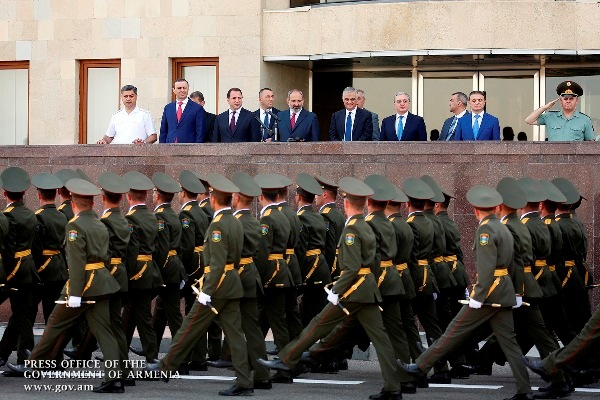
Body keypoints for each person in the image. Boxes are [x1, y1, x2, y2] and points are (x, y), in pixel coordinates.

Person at [258, 177, 402, 400]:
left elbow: (352, 268)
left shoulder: (353, 230)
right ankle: (393, 386)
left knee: (316, 327)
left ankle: (286, 361)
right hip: (367, 291)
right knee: (381, 340)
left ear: (346, 203)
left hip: (353, 291)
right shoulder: (365, 226)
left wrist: (336, 291)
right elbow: (373, 263)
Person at [398, 185, 533, 400]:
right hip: (504, 292)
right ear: (495, 208)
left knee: (453, 332)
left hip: (489, 294)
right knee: (510, 343)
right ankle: (524, 389)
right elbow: (516, 264)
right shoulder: (504, 228)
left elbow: (487, 269)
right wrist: (516, 293)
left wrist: (477, 297)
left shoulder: (486, 230)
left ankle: (420, 367)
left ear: (476, 210)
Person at [156, 173, 254, 396]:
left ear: (213, 198)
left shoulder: (219, 225)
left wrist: (206, 291)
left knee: (190, 326)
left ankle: (166, 366)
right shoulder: (235, 221)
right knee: (235, 334)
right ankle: (244, 381)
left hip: (216, 286)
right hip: (231, 283)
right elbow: (236, 258)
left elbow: (218, 264)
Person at [24, 178, 123, 393]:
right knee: (105, 332)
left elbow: (77, 262)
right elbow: (105, 257)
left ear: (73, 204)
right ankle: (114, 378)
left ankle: (34, 364)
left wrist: (76, 293)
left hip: (82, 285)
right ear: (93, 204)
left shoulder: (75, 225)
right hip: (102, 283)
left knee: (54, 324)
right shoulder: (100, 223)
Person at [121, 171, 163, 364]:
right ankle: (149, 357)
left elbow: (130, 250)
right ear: (146, 196)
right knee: (139, 316)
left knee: (136, 316)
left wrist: (126, 275)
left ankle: (147, 357)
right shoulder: (153, 217)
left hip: (135, 272)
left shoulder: (131, 219)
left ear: (128, 197)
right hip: (149, 271)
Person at [0, 167, 37, 375]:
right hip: (28, 269)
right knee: (23, 317)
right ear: (24, 193)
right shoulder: (31, 214)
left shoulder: (8, 216)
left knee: (21, 317)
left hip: (11, 271)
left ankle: (23, 359)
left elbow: (8, 248)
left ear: (5, 194)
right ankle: (25, 358)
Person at [151, 172, 187, 372]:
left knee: (174, 316)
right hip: (175, 267)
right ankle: (152, 351)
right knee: (163, 311)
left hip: (166, 270)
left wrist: (158, 274)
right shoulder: (173, 214)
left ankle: (181, 359)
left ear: (157, 195)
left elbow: (162, 249)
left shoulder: (160, 217)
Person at [176, 170, 211, 370]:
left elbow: (187, 245)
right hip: (203, 260)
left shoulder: (187, 213)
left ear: (184, 192)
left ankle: (192, 356)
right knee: (197, 310)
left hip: (194, 264)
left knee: (192, 310)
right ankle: (199, 357)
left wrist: (185, 272)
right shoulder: (200, 209)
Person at [30, 173, 69, 324]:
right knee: (53, 313)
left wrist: (36, 268)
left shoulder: (38, 216)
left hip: (44, 270)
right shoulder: (62, 216)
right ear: (55, 194)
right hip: (59, 269)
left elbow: (36, 247)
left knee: (31, 308)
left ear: (39, 195)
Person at [294, 173, 330, 325]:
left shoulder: (302, 217)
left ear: (298, 197)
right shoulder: (318, 216)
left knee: (309, 310)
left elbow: (300, 249)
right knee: (316, 308)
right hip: (321, 267)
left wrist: (297, 276)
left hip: (310, 268)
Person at [525, 80, 595, 141]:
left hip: (574, 156)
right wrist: (544, 107)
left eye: (571, 99)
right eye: (565, 99)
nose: (568, 101)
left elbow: (590, 143)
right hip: (553, 156)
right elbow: (529, 120)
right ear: (561, 100)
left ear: (576, 101)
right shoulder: (550, 116)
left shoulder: (585, 120)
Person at [314, 176, 345, 278]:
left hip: (331, 267)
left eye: (317, 193)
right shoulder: (338, 213)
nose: (315, 196)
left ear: (325, 194)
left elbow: (329, 246)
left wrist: (326, 269)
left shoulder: (325, 215)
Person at [159, 79, 206, 143]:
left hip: (189, 149)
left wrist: (196, 150)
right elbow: (163, 131)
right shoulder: (168, 108)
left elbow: (200, 132)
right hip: (169, 147)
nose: (182, 90)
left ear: (188, 89)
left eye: (184, 88)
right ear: (173, 90)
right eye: (179, 88)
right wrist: (162, 149)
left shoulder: (197, 108)